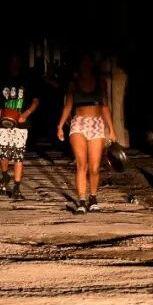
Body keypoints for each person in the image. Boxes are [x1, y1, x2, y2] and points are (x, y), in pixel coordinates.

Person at [57, 54, 117, 214]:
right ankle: (82, 200)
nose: (86, 66)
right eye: (83, 63)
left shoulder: (100, 82)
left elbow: (105, 107)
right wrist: (60, 125)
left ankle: (93, 198)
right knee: (81, 165)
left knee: (95, 167)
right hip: (79, 123)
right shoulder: (73, 84)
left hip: (97, 123)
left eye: (88, 63)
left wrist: (111, 129)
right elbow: (68, 106)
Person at [0, 54, 39, 199]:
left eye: (17, 62)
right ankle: (5, 175)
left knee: (18, 156)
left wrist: (26, 114)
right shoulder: (1, 80)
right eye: (12, 62)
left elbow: (36, 100)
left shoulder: (27, 81)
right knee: (4, 153)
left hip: (21, 123)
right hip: (3, 123)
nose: (15, 65)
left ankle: (17, 187)